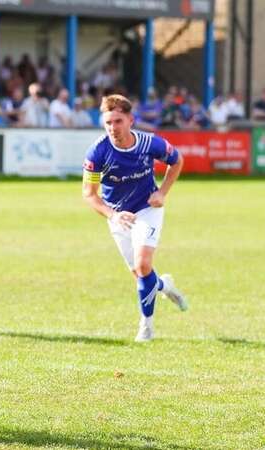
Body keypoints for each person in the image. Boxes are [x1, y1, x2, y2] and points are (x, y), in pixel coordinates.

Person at [81, 94, 188, 342]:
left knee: (142, 266)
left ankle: (146, 327)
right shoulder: (97, 152)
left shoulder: (149, 143)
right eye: (108, 122)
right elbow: (89, 195)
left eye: (118, 121)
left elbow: (177, 160)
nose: (112, 128)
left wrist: (162, 192)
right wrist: (113, 215)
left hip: (147, 209)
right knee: (141, 274)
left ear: (131, 120)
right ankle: (165, 286)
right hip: (119, 216)